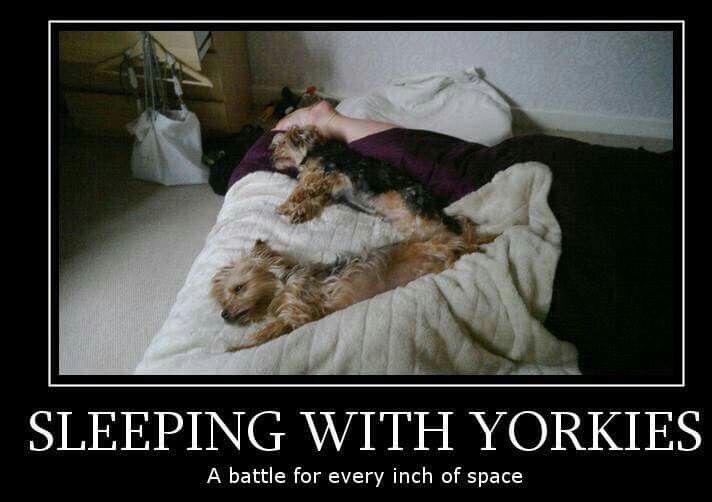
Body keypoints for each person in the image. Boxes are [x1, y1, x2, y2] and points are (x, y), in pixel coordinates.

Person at [231, 101, 676, 377]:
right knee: (464, 179)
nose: (279, 162)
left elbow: (314, 186)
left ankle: (325, 117)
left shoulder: (322, 164)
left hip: (409, 182)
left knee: (451, 183)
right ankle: (328, 118)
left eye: (284, 153)